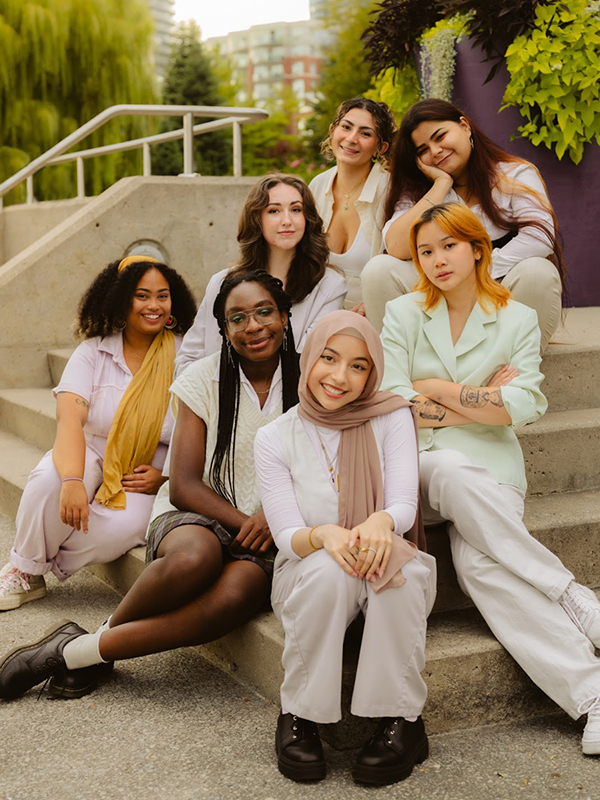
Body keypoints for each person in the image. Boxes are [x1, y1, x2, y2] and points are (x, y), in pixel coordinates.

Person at [0, 271, 300, 702]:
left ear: (286, 316)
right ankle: (79, 637)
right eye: (237, 318)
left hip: (280, 523)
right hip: (202, 510)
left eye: (264, 312)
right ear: (223, 329)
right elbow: (182, 486)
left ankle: (81, 650)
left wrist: (274, 517)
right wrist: (247, 521)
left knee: (234, 597)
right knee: (194, 558)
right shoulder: (202, 378)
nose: (253, 326)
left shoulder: (311, 377)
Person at [380, 202, 600, 756]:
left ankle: (592, 696)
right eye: (425, 251)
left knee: (480, 567)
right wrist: (482, 397)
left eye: (448, 246)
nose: (436, 260)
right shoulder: (403, 313)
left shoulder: (516, 318)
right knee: (448, 465)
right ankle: (569, 593)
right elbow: (394, 401)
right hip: (416, 468)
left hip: (493, 472)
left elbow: (524, 405)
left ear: (478, 248)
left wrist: (441, 390)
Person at [254, 310, 437, 785]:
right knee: (331, 571)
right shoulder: (275, 437)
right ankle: (300, 715)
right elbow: (288, 535)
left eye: (358, 366)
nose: (340, 377)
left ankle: (402, 722)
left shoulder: (392, 415)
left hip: (379, 555)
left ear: (372, 372)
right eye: (329, 358)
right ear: (309, 358)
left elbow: (402, 505)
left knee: (400, 573)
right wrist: (325, 536)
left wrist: (379, 520)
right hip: (309, 569)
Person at [0, 256, 197, 611]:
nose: (154, 305)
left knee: (126, 527)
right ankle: (24, 571)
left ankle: (40, 558)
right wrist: (74, 480)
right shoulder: (94, 352)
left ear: (173, 302)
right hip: (91, 449)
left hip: (153, 462)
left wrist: (167, 477)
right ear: (122, 299)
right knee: (50, 481)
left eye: (162, 296)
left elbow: (201, 426)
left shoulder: (186, 355)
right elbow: (70, 420)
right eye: (142, 295)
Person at [362, 98, 566, 352]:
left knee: (538, 271)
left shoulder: (513, 174)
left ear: (464, 126)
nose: (435, 151)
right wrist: (440, 186)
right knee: (379, 269)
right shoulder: (418, 189)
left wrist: (476, 273)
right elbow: (395, 246)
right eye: (422, 150)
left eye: (440, 136)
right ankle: (410, 375)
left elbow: (540, 237)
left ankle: (508, 378)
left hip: (498, 290)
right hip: (438, 293)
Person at [174, 174, 346, 376]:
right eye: (273, 211)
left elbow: (308, 363)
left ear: (307, 218)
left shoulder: (329, 285)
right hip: (218, 398)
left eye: (296, 210)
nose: (287, 221)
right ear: (257, 219)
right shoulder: (222, 283)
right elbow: (187, 361)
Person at [309, 97, 397, 311]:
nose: (351, 138)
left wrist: (374, 307)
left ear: (381, 147)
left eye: (365, 133)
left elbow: (403, 267)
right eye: (346, 127)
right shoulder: (317, 186)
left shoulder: (391, 191)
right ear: (332, 131)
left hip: (377, 313)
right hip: (320, 312)